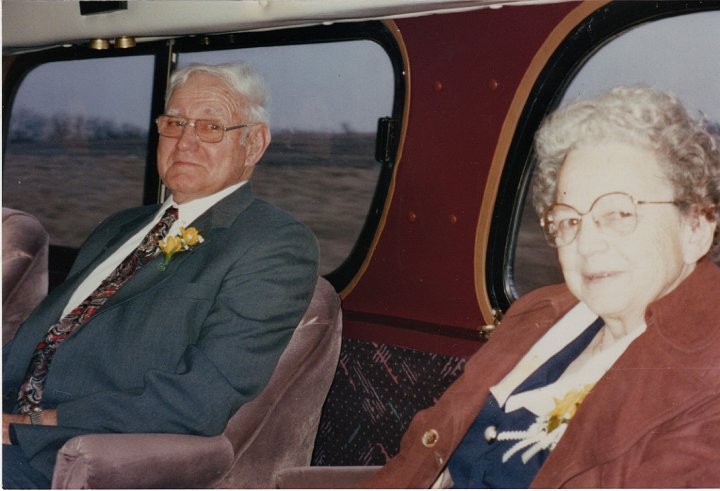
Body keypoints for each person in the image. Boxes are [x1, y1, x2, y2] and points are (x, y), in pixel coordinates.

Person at [361, 85, 720, 488]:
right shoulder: (542, 314)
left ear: (696, 228)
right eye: (569, 220)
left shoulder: (709, 372)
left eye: (618, 213)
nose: (585, 243)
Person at [2, 62, 319, 488]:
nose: (185, 141)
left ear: (254, 144)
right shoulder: (118, 227)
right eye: (175, 123)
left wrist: (31, 423)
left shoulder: (273, 244)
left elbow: (201, 398)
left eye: (210, 127)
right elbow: (54, 334)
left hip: (64, 452)